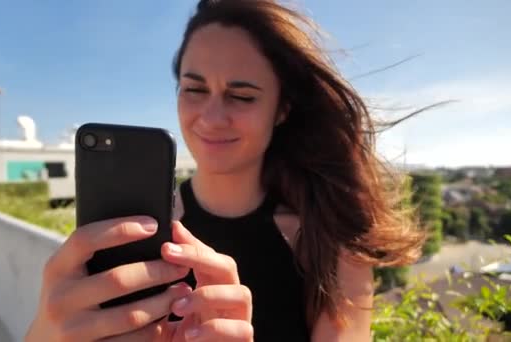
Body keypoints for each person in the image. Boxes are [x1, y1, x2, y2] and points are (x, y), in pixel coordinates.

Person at [25, 0, 425, 341]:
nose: (212, 117)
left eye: (241, 96)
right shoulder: (134, 230)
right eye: (194, 89)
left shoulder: (329, 240)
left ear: (282, 109)